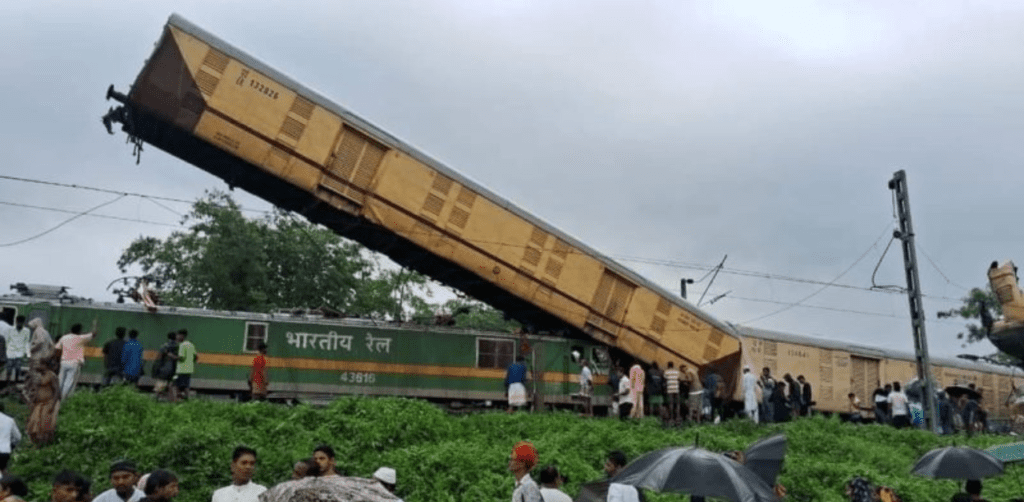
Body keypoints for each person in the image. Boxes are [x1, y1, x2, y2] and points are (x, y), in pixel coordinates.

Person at [55, 319, 98, 399]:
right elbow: (93, 334)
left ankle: (57, 398)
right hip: (74, 363)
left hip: (63, 362)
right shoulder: (80, 338)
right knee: (69, 382)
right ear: (79, 331)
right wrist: (94, 326)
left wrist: (58, 360)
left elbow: (57, 349)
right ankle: (63, 399)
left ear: (71, 329)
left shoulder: (64, 337)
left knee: (60, 381)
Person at [26, 353, 59, 445]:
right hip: (39, 403)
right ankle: (36, 444)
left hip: (48, 403)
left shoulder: (52, 375)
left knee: (45, 425)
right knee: (34, 423)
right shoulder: (41, 375)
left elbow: (57, 391)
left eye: (39, 364)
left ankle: (44, 444)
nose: (37, 365)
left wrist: (53, 404)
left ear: (45, 365)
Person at [171, 330, 197, 402]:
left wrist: (172, 356)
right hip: (189, 369)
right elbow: (196, 356)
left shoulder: (182, 345)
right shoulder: (191, 344)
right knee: (186, 386)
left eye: (178, 335)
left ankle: (177, 399)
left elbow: (181, 357)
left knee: (175, 385)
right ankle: (187, 399)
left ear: (182, 336)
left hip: (181, 369)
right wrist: (190, 362)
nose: (177, 337)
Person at [152, 333, 178, 399]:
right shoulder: (178, 346)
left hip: (164, 367)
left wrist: (156, 367)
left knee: (160, 382)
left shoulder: (164, 346)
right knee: (170, 384)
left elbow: (159, 357)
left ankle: (156, 397)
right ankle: (171, 399)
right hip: (173, 368)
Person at [5, 317, 29, 384]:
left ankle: (15, 382)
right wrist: (7, 349)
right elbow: (7, 340)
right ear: (16, 321)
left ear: (23, 322)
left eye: (21, 322)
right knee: (9, 368)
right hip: (10, 351)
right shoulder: (10, 329)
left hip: (20, 352)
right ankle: (7, 382)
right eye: (18, 322)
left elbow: (26, 342)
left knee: (18, 369)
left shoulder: (26, 331)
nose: (19, 324)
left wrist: (27, 353)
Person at [0, 404, 20, 475]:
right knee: (3, 470)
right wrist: (11, 445)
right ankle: (6, 484)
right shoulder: (9, 420)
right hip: (4, 451)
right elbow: (18, 437)